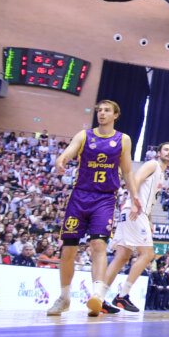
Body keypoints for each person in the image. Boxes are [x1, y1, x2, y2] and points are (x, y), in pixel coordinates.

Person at [47, 100, 140, 316]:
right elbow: (69, 152)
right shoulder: (84, 135)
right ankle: (64, 298)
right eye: (99, 110)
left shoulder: (123, 139)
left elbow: (126, 171)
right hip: (79, 196)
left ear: (116, 115)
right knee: (68, 249)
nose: (101, 113)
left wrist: (134, 196)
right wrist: (61, 160)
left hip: (105, 198)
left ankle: (97, 295)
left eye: (107, 110)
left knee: (98, 244)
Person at [99, 141, 169, 315]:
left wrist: (149, 219)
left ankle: (99, 297)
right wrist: (133, 202)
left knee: (122, 256)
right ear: (158, 152)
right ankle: (123, 295)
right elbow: (135, 179)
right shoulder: (153, 164)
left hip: (138, 213)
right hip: (134, 210)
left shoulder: (162, 174)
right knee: (148, 254)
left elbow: (149, 199)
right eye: (165, 149)